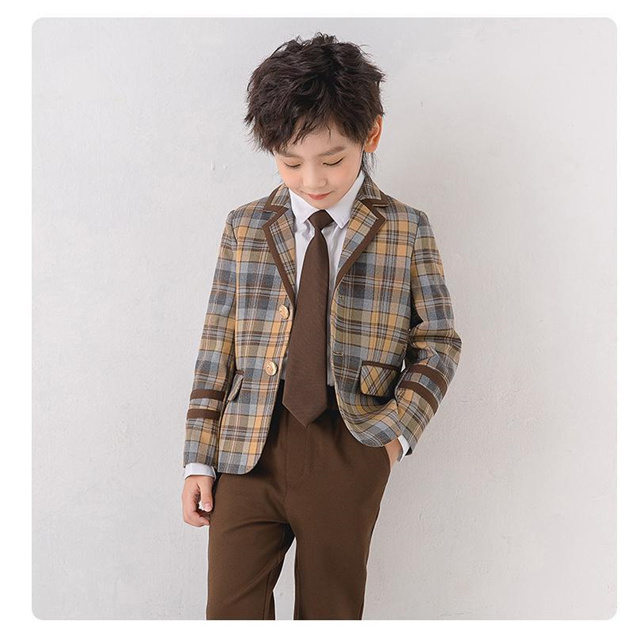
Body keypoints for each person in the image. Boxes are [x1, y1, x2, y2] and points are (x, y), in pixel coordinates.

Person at [181, 32, 463, 620]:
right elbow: (216, 346)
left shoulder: (405, 228)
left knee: (331, 613)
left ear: (371, 134)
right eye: (291, 162)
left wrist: (392, 439)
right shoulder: (245, 227)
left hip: (348, 442)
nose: (312, 180)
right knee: (229, 613)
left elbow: (438, 341)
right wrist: (198, 459)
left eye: (332, 160)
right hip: (247, 447)